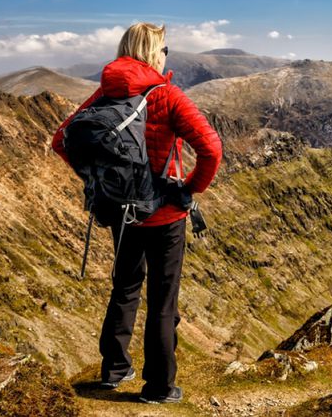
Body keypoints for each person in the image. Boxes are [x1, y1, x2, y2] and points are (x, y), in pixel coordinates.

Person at [51, 22, 223, 404]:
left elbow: (62, 140)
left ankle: (114, 370)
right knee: (163, 300)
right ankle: (159, 388)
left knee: (125, 286)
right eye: (165, 49)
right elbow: (212, 150)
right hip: (164, 217)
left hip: (122, 215)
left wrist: (98, 180)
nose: (166, 56)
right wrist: (189, 190)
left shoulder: (105, 95)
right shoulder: (169, 96)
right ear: (154, 52)